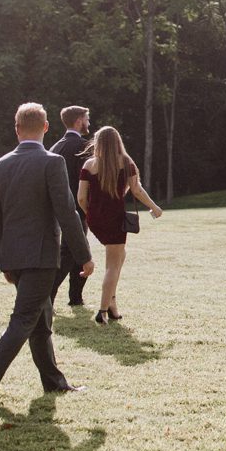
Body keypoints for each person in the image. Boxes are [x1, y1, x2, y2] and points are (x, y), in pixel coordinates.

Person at [0, 103, 92, 406]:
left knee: (40, 319)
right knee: (23, 320)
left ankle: (54, 381)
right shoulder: (52, 162)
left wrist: (5, 259)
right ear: (46, 127)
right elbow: (67, 212)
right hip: (41, 256)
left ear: (17, 128)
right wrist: (84, 255)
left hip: (15, 256)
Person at [77, 125, 163, 324]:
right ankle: (102, 311)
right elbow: (137, 189)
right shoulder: (125, 162)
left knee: (120, 256)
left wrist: (90, 215)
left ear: (98, 143)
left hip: (95, 219)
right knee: (112, 266)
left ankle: (112, 303)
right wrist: (154, 207)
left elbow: (81, 198)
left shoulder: (89, 164)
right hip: (114, 219)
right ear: (117, 142)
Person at [49, 106, 93, 307]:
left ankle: (76, 297)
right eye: (86, 119)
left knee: (77, 251)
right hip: (77, 208)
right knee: (72, 252)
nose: (88, 123)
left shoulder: (55, 147)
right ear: (78, 121)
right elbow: (87, 181)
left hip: (57, 209)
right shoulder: (84, 146)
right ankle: (47, 295)